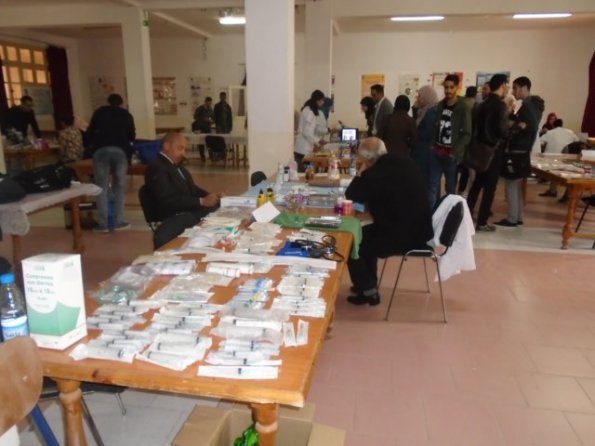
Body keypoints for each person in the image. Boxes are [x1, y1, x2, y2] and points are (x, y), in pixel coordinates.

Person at [344, 137, 433, 306]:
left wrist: (362, 171)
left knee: (352, 242)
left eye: (362, 160)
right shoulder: (405, 162)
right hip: (419, 229)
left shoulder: (376, 173)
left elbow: (352, 194)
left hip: (402, 235)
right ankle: (366, 285)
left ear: (368, 160)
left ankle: (368, 290)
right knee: (363, 236)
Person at [495, 76, 545, 227]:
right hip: (522, 150)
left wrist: (515, 127)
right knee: (516, 186)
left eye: (515, 88)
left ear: (524, 88)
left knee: (511, 185)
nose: (513, 91)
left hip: (518, 150)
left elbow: (531, 125)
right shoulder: (531, 105)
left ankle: (512, 218)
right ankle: (517, 217)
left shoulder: (529, 105)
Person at [144, 133, 223, 224]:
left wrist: (211, 197)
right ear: (166, 146)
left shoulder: (175, 165)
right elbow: (167, 200)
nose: (183, 153)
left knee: (218, 210)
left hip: (185, 210)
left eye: (185, 149)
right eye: (180, 148)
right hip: (172, 216)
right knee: (216, 217)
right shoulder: (157, 167)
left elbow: (192, 188)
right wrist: (201, 201)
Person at [466, 74, 510, 232]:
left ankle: (467, 216)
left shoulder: (481, 105)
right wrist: (516, 129)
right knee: (490, 188)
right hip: (494, 151)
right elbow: (503, 131)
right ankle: (482, 221)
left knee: (477, 184)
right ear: (503, 85)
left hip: (480, 149)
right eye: (507, 85)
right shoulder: (500, 106)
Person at [86, 93, 136, 233]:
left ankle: (103, 223)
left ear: (108, 101)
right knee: (119, 186)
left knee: (101, 186)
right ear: (121, 103)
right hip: (121, 152)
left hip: (101, 151)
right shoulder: (126, 114)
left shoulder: (99, 112)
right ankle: (119, 221)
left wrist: (90, 145)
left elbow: (90, 132)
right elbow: (132, 135)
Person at [427, 74, 472, 208]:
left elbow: (467, 133)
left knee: (450, 189)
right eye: (446, 87)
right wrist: (432, 145)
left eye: (451, 87)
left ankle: (448, 214)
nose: (448, 90)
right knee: (432, 185)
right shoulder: (440, 105)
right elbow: (436, 126)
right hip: (437, 152)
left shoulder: (463, 107)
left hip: (451, 154)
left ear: (457, 87)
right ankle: (432, 215)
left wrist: (455, 151)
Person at [538, 118, 579, 197]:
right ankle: (566, 194)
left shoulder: (550, 132)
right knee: (566, 174)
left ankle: (553, 191)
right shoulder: (569, 132)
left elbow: (540, 142)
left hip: (551, 157)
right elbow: (577, 140)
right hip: (567, 156)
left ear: (553, 125)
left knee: (553, 174)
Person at [411, 85, 439, 184]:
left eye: (420, 96)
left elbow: (427, 133)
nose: (417, 98)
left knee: (424, 179)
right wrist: (414, 109)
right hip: (421, 151)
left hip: (425, 152)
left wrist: (414, 133)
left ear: (427, 97)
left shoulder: (431, 113)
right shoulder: (423, 111)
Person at [294, 90, 327, 171]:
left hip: (305, 148)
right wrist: (318, 141)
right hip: (303, 149)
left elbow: (310, 129)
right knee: (305, 173)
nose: (323, 103)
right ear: (317, 100)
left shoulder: (309, 110)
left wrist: (317, 141)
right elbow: (306, 132)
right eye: (322, 100)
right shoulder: (309, 112)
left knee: (308, 172)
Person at [192, 96, 214, 162]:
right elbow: (195, 117)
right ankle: (202, 156)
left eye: (210, 103)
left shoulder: (211, 109)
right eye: (208, 103)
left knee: (210, 142)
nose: (209, 104)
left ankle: (211, 156)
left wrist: (212, 121)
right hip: (200, 127)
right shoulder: (200, 108)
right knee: (201, 142)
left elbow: (213, 117)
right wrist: (203, 119)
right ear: (205, 102)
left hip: (208, 127)